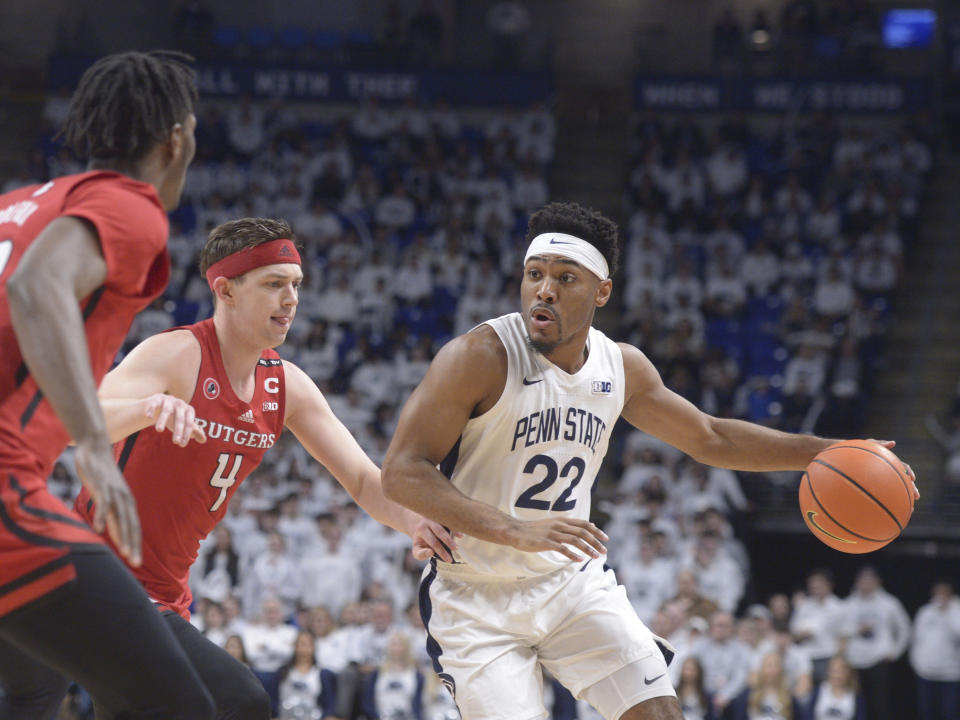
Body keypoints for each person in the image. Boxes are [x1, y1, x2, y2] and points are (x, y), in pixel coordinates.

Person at [380, 201, 919, 720]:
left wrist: (827, 452)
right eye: (534, 273)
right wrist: (512, 529)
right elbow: (401, 471)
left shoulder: (622, 368)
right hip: (477, 594)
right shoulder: (480, 356)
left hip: (570, 585)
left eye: (566, 278)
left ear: (602, 291)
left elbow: (711, 437)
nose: (543, 289)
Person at [65, 217, 454, 719]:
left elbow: (361, 478)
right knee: (237, 701)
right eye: (273, 285)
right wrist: (148, 409)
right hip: (98, 572)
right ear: (224, 290)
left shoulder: (285, 385)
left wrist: (414, 522)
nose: (290, 299)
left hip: (164, 590)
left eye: (295, 286)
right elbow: (77, 423)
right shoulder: (179, 353)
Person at [0, 51, 215, 719]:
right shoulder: (130, 207)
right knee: (183, 707)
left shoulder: (18, 204)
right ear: (177, 137)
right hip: (8, 488)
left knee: (34, 689)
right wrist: (93, 446)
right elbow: (38, 288)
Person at [839, 566, 910, 720]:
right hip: (854, 662)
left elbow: (905, 629)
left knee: (880, 704)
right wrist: (856, 629)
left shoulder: (889, 603)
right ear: (857, 582)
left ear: (878, 582)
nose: (866, 583)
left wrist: (895, 652)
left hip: (879, 661)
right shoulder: (848, 604)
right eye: (862, 580)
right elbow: (840, 631)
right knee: (855, 704)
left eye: (870, 580)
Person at [909, 580, 960, 720]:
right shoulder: (925, 611)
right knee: (926, 712)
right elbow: (916, 639)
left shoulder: (957, 611)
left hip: (951, 675)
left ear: (950, 593)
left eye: (944, 592)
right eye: (938, 592)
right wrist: (917, 663)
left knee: (950, 713)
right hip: (925, 673)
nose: (940, 595)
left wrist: (948, 612)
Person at [805, 656, 866, 720]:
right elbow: (807, 715)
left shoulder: (856, 697)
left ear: (848, 673)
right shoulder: (818, 691)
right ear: (828, 671)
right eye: (834, 671)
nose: (836, 675)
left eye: (840, 671)